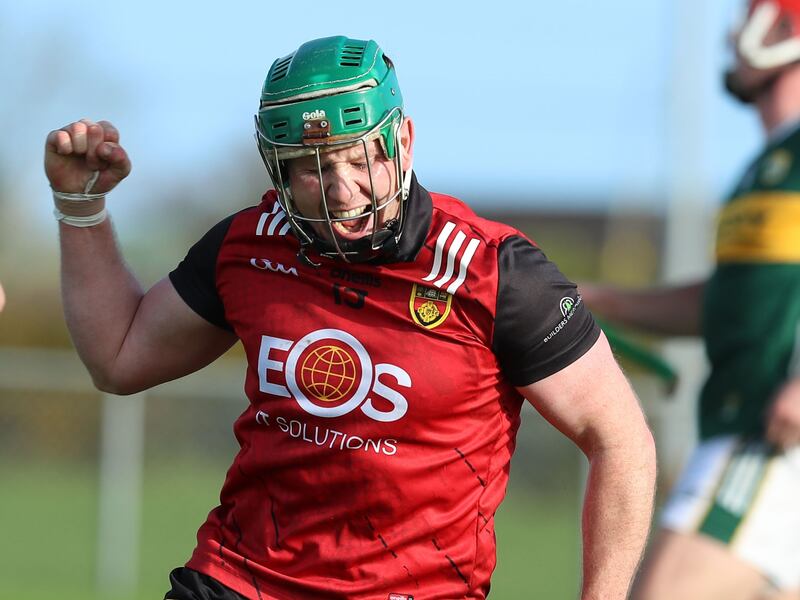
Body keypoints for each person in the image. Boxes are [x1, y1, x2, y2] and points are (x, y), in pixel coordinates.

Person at [45, 36, 655, 599]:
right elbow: (118, 358)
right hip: (239, 579)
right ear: (278, 170)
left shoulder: (498, 273)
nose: (341, 189)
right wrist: (80, 205)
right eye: (311, 168)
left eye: (358, 158)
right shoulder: (248, 245)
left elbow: (621, 441)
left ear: (404, 141)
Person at [582, 2, 800, 599]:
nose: (733, 37)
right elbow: (727, 306)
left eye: (755, 21)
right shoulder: (767, 167)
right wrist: (593, 301)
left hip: (764, 437)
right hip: (748, 430)